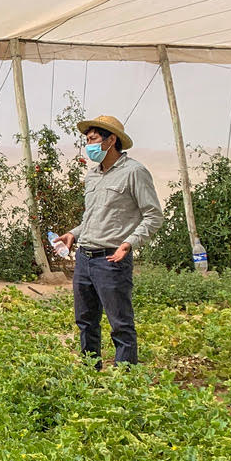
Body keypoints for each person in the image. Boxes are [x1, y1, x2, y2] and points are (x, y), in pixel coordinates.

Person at [53, 115, 163, 367]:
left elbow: (153, 215)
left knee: (120, 324)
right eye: (87, 140)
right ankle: (90, 374)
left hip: (111, 259)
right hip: (84, 258)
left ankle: (125, 382)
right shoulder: (92, 177)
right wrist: (73, 234)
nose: (88, 145)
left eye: (92, 139)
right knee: (86, 321)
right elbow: (93, 219)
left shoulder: (134, 172)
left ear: (111, 140)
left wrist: (130, 242)